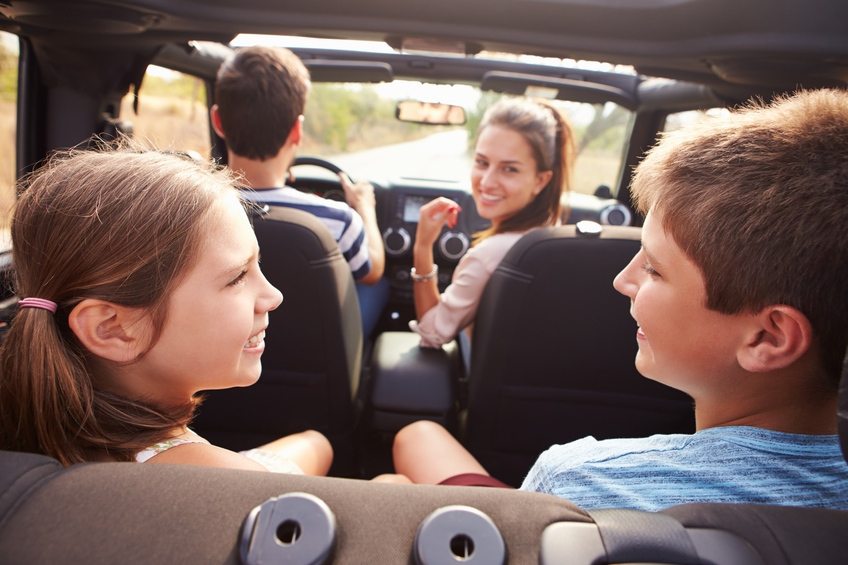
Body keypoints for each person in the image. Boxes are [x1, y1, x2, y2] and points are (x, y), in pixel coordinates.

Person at [391, 88, 848, 511]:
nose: (619, 280)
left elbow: (434, 332)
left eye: (652, 267)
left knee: (395, 481)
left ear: (768, 337)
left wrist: (422, 252)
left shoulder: (579, 481)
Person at [0, 147, 332, 476]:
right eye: (237, 277)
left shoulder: (41, 431)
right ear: (112, 328)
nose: (274, 296)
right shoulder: (229, 486)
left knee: (315, 443)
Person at [211, 45, 388, 337]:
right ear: (297, 131)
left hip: (221, 363)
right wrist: (365, 208)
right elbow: (374, 270)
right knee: (380, 285)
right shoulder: (339, 220)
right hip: (313, 371)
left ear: (218, 121)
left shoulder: (188, 211)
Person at [409, 97, 574, 349]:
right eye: (482, 162)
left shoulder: (488, 256)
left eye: (509, 169)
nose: (486, 182)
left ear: (541, 180)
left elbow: (432, 334)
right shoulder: (554, 230)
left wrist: (422, 247)